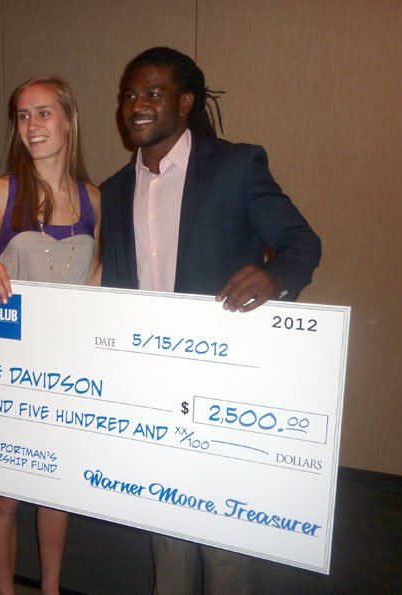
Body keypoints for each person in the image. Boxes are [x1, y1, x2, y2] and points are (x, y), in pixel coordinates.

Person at [100, 47, 321, 595]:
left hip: (223, 372)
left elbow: (302, 244)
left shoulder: (234, 166)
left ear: (186, 100)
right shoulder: (114, 189)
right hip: (150, 376)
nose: (137, 105)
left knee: (221, 524)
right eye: (129, 95)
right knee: (166, 516)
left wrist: (275, 279)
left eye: (151, 93)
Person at [0, 75, 100, 595]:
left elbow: (95, 287)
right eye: (23, 115)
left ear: (68, 119)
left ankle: (51, 589)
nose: (32, 125)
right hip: (6, 365)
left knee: (55, 489)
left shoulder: (95, 200)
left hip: (65, 368)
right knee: (3, 496)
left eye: (43, 113)